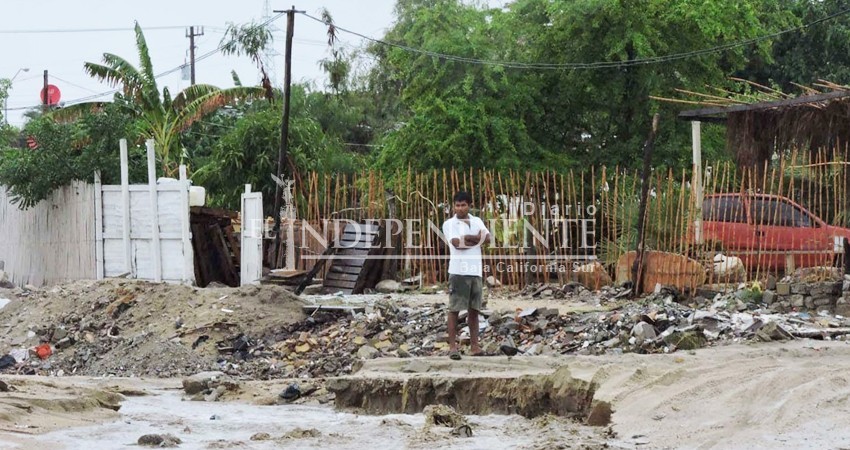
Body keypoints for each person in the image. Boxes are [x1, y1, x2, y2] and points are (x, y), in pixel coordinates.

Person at [442, 191, 490, 360]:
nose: (460, 208)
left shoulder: (477, 221)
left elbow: (488, 239)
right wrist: (477, 239)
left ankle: (475, 347)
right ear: (453, 206)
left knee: (474, 310)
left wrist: (468, 237)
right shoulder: (449, 224)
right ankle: (453, 347)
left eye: (463, 205)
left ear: (469, 205)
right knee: (455, 309)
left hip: (475, 271)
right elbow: (457, 244)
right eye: (457, 205)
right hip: (458, 271)